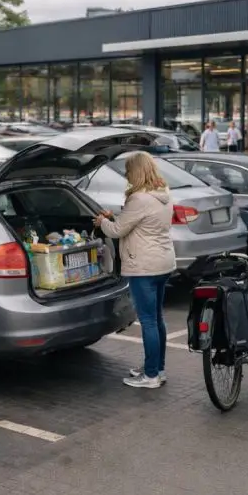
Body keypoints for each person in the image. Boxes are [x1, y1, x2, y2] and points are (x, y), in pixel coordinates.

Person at [94, 152, 176, 389]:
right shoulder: (163, 194)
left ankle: (150, 376)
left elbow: (117, 231)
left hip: (143, 266)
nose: (127, 175)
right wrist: (115, 218)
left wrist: (103, 222)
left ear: (137, 171)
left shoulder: (138, 198)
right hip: (163, 262)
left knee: (148, 321)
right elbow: (139, 224)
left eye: (129, 171)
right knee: (157, 318)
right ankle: (157, 369)